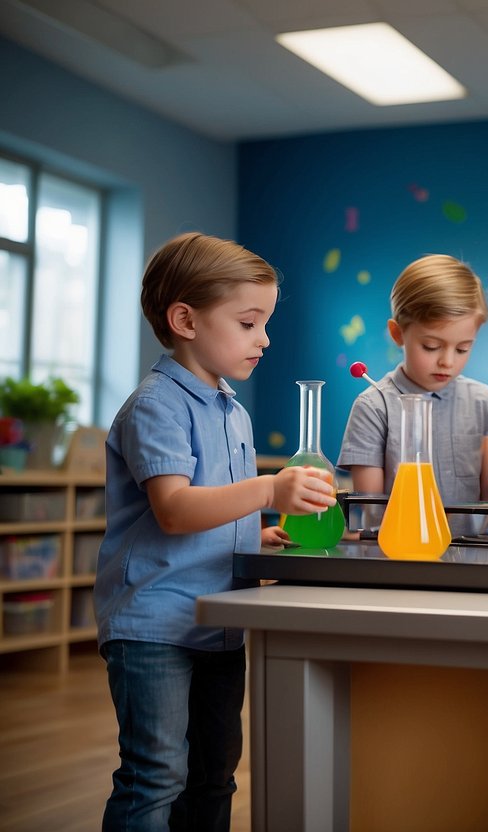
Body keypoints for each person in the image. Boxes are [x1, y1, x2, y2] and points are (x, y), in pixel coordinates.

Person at [94, 232, 337, 831]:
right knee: (155, 775)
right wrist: (269, 491)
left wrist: (256, 533)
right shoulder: (157, 405)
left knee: (213, 773)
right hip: (155, 625)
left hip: (219, 623)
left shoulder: (232, 409)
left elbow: (217, 509)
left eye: (266, 323)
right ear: (186, 320)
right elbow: (176, 509)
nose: (266, 338)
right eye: (250, 322)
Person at [340, 254, 488, 538]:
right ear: (397, 334)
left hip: (470, 555)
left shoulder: (483, 402)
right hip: (397, 556)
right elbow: (371, 515)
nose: (447, 361)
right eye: (431, 346)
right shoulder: (374, 407)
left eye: (462, 349)